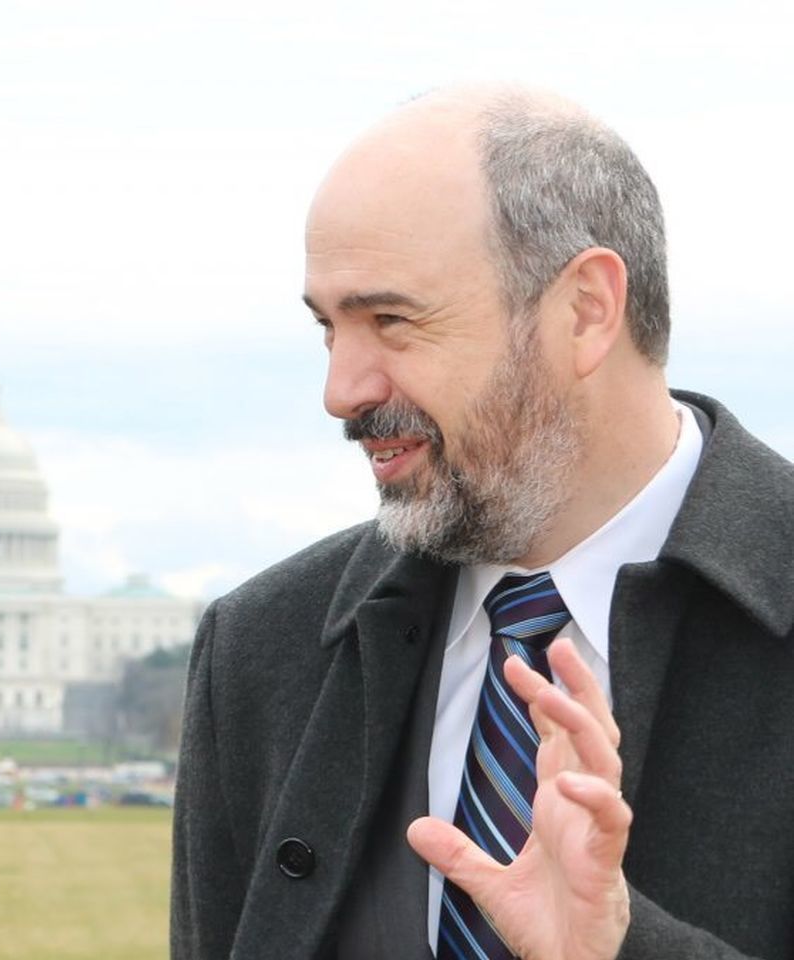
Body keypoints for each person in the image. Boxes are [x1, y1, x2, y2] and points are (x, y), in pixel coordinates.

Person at [171, 85, 794, 960]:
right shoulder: (258, 651)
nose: (341, 391)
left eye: (391, 321)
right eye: (329, 330)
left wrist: (622, 947)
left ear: (585, 309)